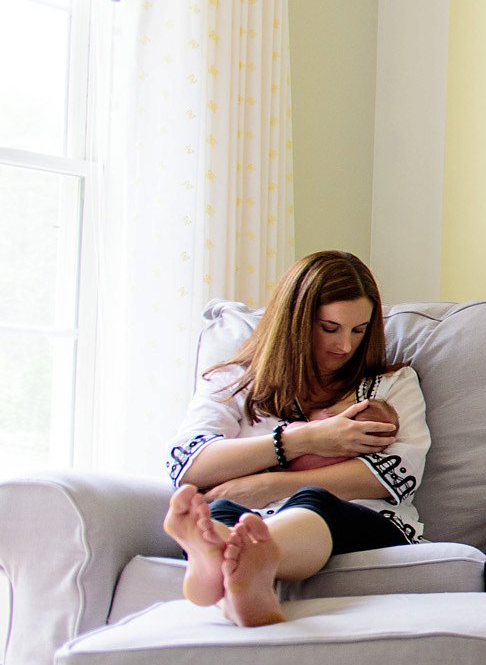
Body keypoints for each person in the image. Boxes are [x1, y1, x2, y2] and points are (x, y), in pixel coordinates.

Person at [161, 251, 430, 627]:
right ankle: (231, 572)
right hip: (251, 515)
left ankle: (239, 562)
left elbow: (393, 475)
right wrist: (304, 440)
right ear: (294, 322)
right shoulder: (233, 382)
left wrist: (269, 483)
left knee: (314, 500)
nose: (346, 347)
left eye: (359, 330)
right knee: (224, 513)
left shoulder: (391, 385)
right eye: (329, 328)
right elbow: (190, 464)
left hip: (360, 518)